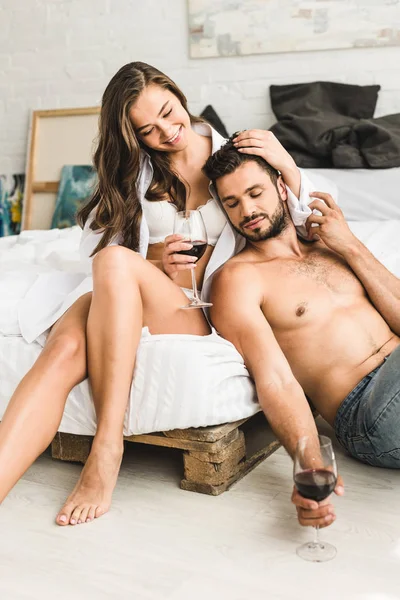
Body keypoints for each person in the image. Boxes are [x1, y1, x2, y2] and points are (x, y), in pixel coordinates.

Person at [0, 62, 319, 526]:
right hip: (131, 291)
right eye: (148, 130)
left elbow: (304, 220)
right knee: (64, 346)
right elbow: (96, 245)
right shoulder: (134, 168)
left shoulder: (239, 151)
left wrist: (287, 164)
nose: (168, 133)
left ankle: (107, 447)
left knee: (112, 267)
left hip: (193, 308)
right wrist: (155, 260)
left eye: (170, 114)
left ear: (179, 95)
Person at [203, 138, 400, 529]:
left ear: (280, 187)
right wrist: (311, 466)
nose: (248, 210)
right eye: (232, 203)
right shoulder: (238, 279)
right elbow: (274, 379)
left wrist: (351, 245)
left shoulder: (331, 246)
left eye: (255, 193)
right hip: (368, 414)